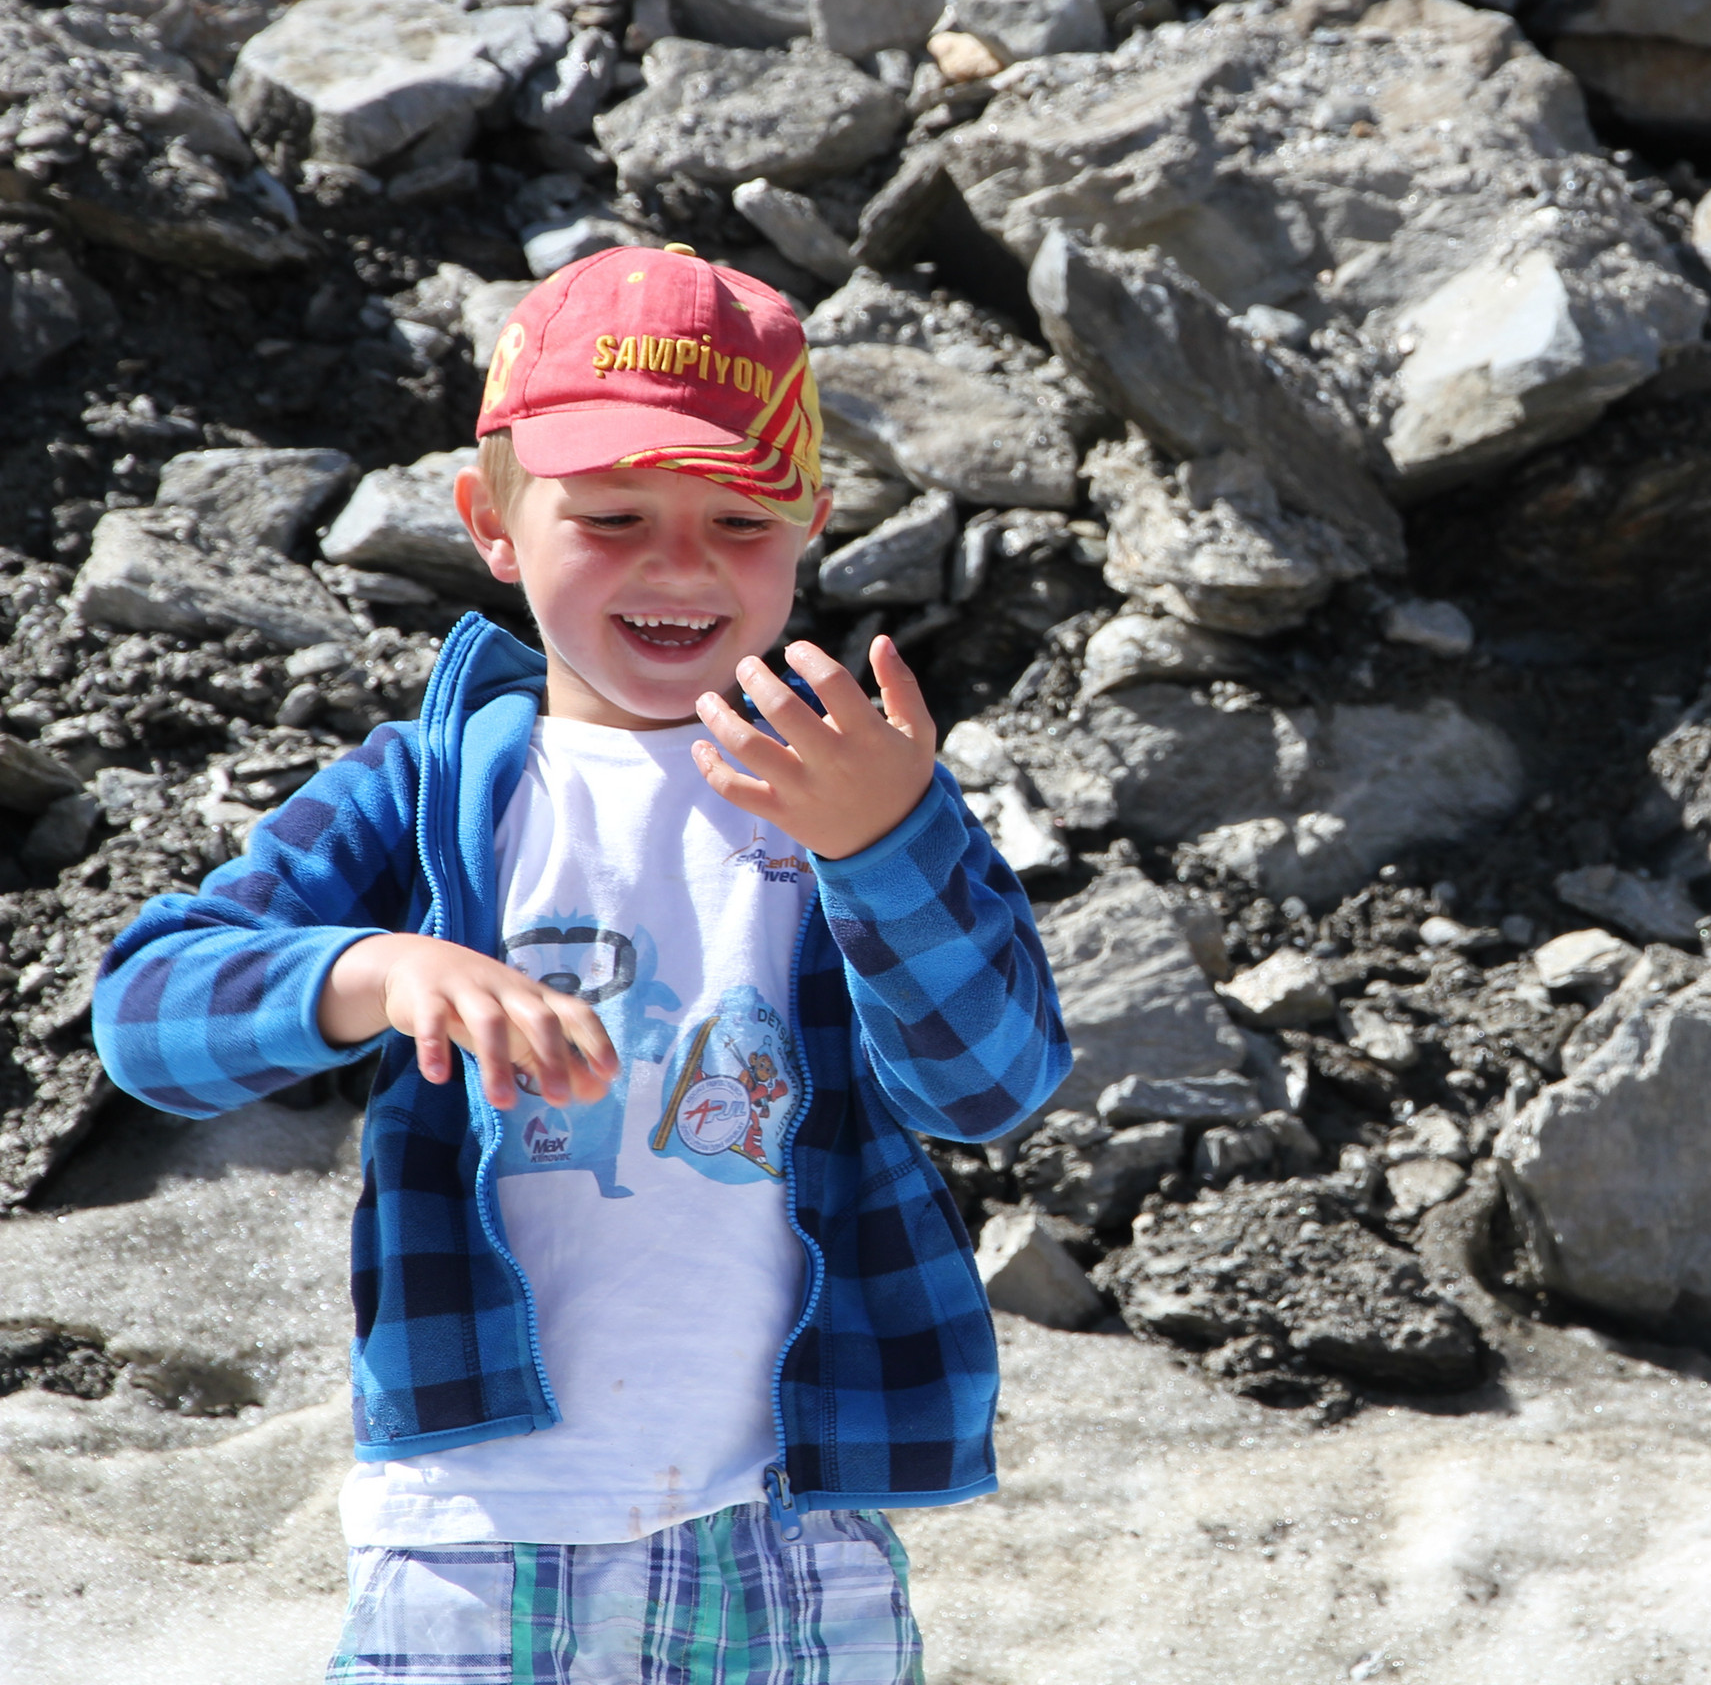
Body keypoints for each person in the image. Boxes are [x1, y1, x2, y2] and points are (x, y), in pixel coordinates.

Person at [95, 243, 1070, 1683]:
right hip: (473, 1516)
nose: (679, 563)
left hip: (792, 1513)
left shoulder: (858, 791)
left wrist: (884, 846)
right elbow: (146, 1016)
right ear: (491, 521)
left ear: (810, 524)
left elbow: (989, 1088)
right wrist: (376, 971)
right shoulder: (425, 788)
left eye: (740, 520)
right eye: (612, 515)